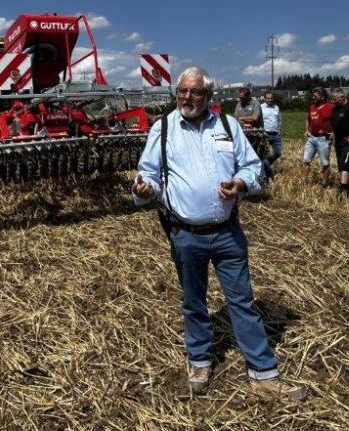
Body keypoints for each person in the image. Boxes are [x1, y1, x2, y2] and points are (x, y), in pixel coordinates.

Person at [132, 66, 305, 401]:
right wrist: (144, 187)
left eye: (194, 92)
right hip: (185, 234)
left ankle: (264, 375)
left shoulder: (227, 126)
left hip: (228, 233)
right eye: (182, 90)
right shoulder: (163, 129)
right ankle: (199, 360)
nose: (186, 97)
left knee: (242, 301)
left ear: (209, 96)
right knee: (194, 302)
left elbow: (253, 167)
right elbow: (149, 175)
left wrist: (239, 184)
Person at [302, 87, 334, 187]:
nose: (313, 97)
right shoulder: (312, 107)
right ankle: (303, 181)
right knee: (306, 160)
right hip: (311, 137)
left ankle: (324, 182)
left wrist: (334, 132)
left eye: (315, 96)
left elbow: (337, 121)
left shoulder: (331, 107)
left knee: (325, 163)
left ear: (322, 97)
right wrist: (307, 130)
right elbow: (308, 119)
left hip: (324, 139)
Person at [261, 90, 282, 179]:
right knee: (264, 154)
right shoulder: (261, 107)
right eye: (268, 98)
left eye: (271, 98)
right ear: (264, 98)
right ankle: (265, 175)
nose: (270, 100)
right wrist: (262, 131)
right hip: (265, 134)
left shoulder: (276, 107)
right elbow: (259, 121)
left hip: (276, 134)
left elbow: (279, 119)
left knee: (278, 153)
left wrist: (279, 129)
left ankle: (266, 163)